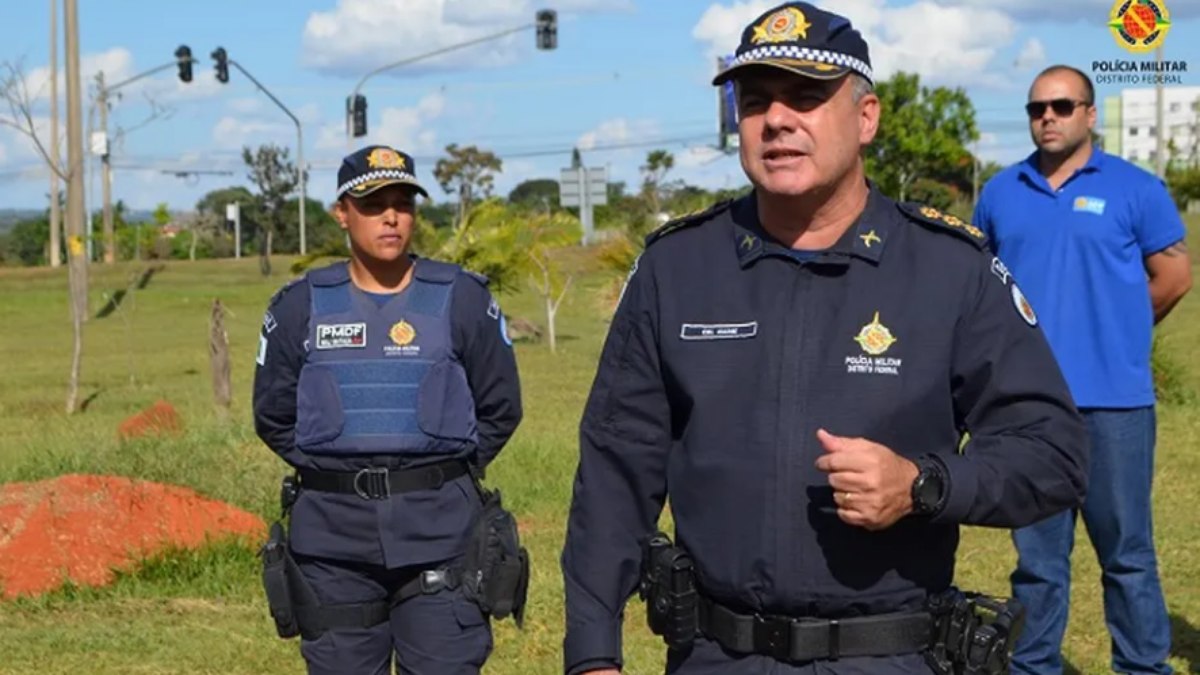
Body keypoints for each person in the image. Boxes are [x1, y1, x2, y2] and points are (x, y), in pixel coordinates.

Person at [559, 4, 1091, 674]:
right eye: (755, 102)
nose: (777, 119)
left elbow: (1054, 454)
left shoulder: (949, 269)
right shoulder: (678, 268)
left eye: (807, 96)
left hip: (890, 654)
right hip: (717, 653)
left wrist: (923, 483)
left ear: (866, 117)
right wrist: (591, 651)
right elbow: (614, 469)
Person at [252, 144, 524, 675]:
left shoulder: (463, 299)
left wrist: (436, 473)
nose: (392, 217)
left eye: (403, 202)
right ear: (342, 212)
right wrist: (339, 467)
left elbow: (500, 407)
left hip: (442, 538)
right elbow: (274, 415)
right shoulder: (298, 306)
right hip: (333, 545)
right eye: (374, 204)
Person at [974, 65, 1193, 675]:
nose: (1048, 116)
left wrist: (1118, 325)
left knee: (1127, 556)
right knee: (1038, 562)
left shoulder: (1135, 188)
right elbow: (982, 289)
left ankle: (1143, 667)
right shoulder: (1000, 192)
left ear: (1090, 114)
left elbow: (1174, 277)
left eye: (1063, 105)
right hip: (1029, 410)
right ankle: (1033, 666)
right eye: (1037, 107)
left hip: (1116, 407)